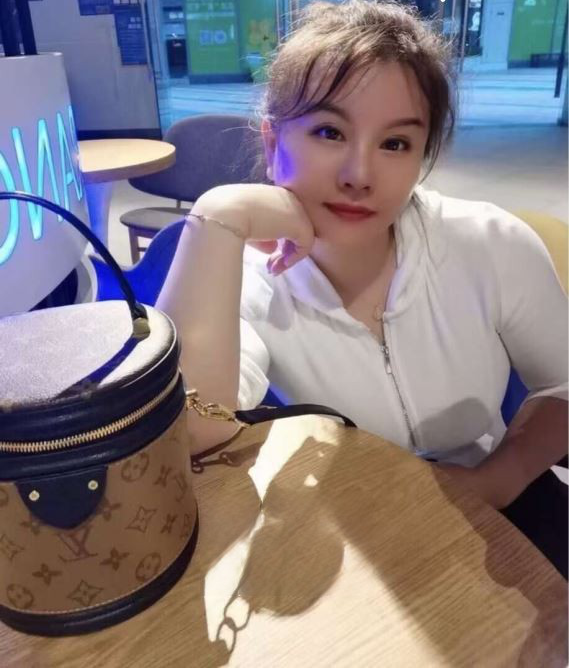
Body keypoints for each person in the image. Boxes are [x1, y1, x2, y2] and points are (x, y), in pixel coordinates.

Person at [157, 0, 568, 577]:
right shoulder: (250, 283)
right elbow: (190, 432)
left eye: (395, 143)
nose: (359, 175)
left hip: (502, 494)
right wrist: (219, 215)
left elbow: (563, 386)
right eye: (329, 132)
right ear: (273, 145)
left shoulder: (489, 243)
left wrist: (493, 482)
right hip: (350, 520)